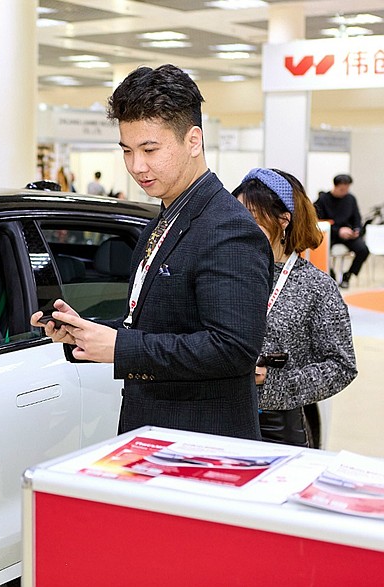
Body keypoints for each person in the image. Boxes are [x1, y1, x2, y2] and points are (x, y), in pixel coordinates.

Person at [31, 64, 273, 440]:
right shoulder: (162, 220)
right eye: (127, 151)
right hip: (154, 433)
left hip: (202, 443)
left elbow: (233, 349)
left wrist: (121, 347)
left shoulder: (227, 228)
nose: (136, 166)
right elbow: (158, 326)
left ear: (194, 141)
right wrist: (88, 334)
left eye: (150, 149)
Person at [233, 168, 357, 446]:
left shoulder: (316, 286)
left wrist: (274, 382)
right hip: (214, 417)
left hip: (277, 428)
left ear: (283, 220)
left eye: (252, 218)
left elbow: (342, 366)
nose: (240, 226)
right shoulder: (222, 272)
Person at [314, 174, 369, 289]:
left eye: (347, 189)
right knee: (321, 250)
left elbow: (357, 218)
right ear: (335, 186)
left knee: (363, 250)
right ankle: (330, 274)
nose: (345, 192)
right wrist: (338, 231)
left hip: (348, 234)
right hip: (330, 234)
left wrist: (356, 230)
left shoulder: (350, 199)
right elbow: (319, 221)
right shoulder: (323, 200)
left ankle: (348, 275)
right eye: (342, 189)